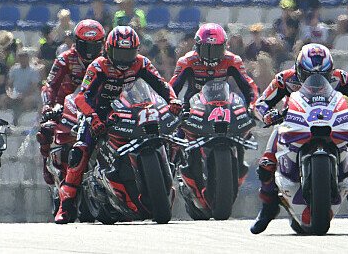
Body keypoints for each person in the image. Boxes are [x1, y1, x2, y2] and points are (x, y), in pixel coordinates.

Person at [55, 26, 181, 223]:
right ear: (108, 49)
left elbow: (162, 85)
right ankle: (66, 205)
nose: (123, 59)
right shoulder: (98, 66)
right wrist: (93, 117)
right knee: (80, 150)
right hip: (100, 115)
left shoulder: (141, 63)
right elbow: (82, 97)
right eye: (119, 53)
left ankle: (170, 174)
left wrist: (173, 101)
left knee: (169, 134)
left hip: (135, 109)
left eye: (128, 53)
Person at [250, 43, 348, 234]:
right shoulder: (285, 79)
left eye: (322, 75)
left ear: (330, 71)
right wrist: (268, 115)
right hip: (293, 122)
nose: (316, 80)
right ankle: (268, 208)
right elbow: (260, 103)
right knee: (266, 164)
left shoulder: (339, 78)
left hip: (331, 121)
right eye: (309, 75)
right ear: (299, 69)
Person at [170, 24, 258, 200]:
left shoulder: (232, 60)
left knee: (244, 130)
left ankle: (238, 162)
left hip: (222, 106)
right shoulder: (187, 61)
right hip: (193, 107)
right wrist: (174, 105)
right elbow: (172, 87)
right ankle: (170, 172)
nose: (211, 56)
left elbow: (248, 87)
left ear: (224, 47)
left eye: (216, 50)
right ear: (197, 46)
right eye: (206, 49)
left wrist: (253, 106)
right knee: (176, 138)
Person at [37, 19, 105, 183]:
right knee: (47, 128)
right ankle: (46, 163)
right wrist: (48, 106)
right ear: (76, 42)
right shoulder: (64, 59)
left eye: (94, 45)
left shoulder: (106, 61)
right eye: (85, 45)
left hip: (98, 106)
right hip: (66, 106)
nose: (90, 51)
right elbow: (50, 85)